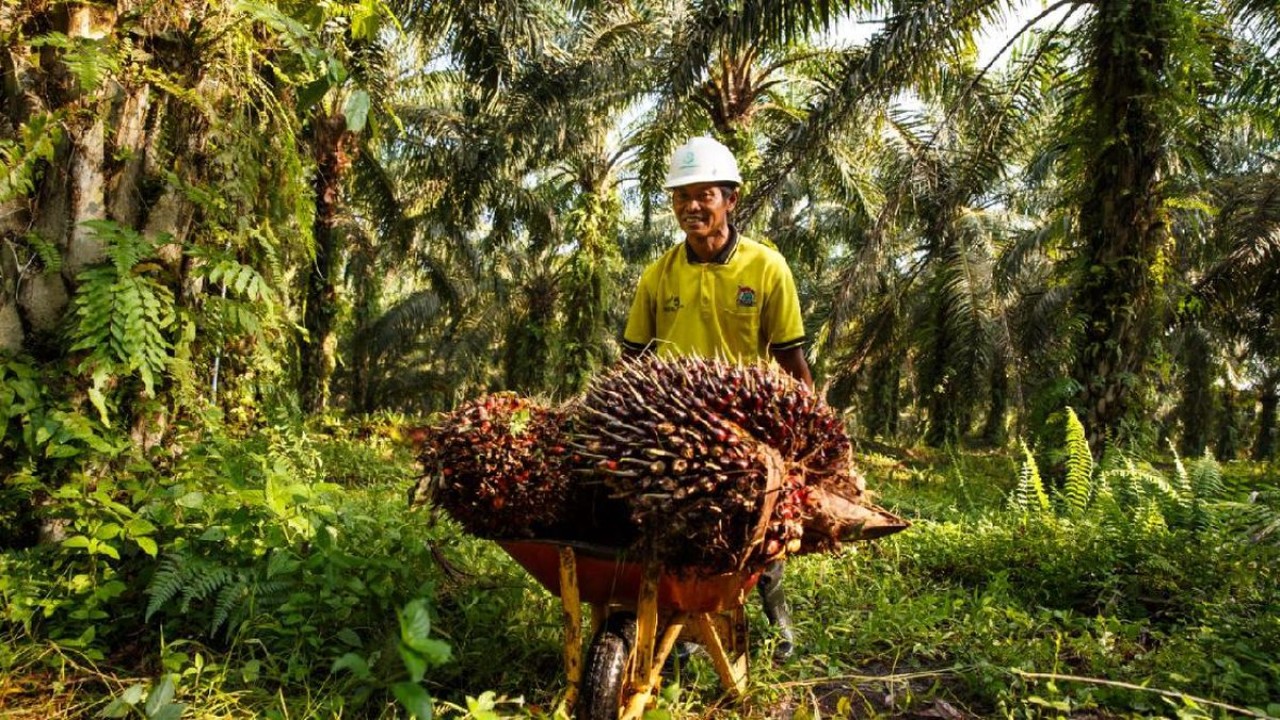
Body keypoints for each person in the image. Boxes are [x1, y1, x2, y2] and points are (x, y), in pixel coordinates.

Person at [621, 136, 811, 661]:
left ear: (731, 198)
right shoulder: (659, 275)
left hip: (746, 426)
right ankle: (683, 632)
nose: (691, 207)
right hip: (675, 430)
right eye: (681, 197)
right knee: (680, 529)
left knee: (762, 530)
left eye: (703, 194)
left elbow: (792, 362)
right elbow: (633, 360)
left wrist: (807, 435)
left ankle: (778, 625)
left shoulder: (767, 268)